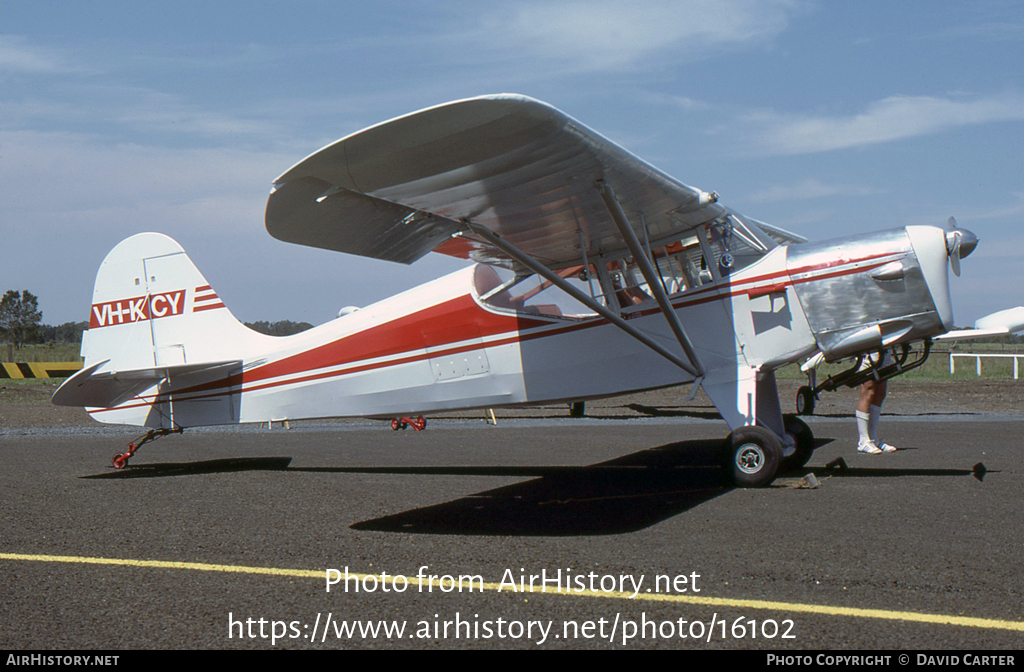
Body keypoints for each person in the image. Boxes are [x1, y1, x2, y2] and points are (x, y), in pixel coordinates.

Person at [856, 351, 897, 454]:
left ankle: (873, 439)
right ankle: (863, 441)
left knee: (880, 393)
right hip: (869, 351)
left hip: (883, 351)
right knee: (868, 391)